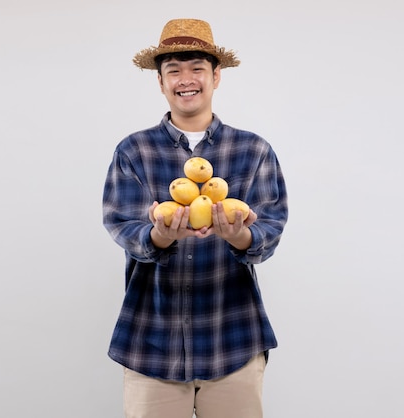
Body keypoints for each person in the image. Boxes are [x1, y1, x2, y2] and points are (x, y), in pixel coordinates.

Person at [102, 18, 288, 418]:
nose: (186, 79)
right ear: (160, 81)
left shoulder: (253, 150)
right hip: (151, 343)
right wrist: (160, 235)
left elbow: (269, 229)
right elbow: (122, 223)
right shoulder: (133, 150)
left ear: (216, 76)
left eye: (197, 68)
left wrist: (239, 236)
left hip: (233, 341)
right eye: (173, 70)